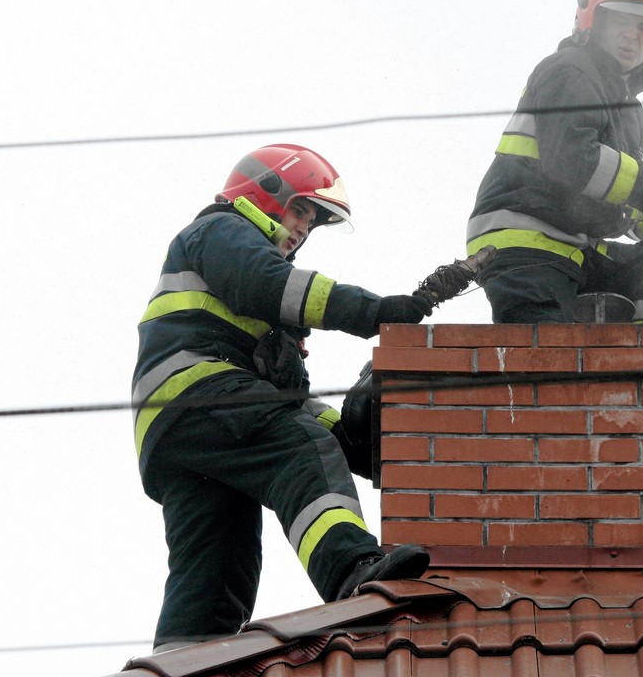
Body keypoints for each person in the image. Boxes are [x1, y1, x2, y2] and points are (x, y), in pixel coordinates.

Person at [132, 143, 432, 653]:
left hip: (180, 433)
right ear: (263, 191)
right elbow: (271, 285)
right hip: (200, 393)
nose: (302, 228)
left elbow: (289, 400)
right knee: (298, 447)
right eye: (299, 209)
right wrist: (375, 312)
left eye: (310, 221)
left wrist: (350, 432)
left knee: (219, 562)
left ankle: (180, 663)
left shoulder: (263, 316)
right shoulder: (222, 230)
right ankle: (352, 570)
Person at [466, 0, 643, 323]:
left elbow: (630, 198)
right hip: (523, 244)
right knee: (546, 358)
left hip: (576, 248)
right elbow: (574, 162)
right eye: (622, 21)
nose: (632, 37)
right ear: (594, 19)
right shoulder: (568, 70)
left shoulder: (629, 111)